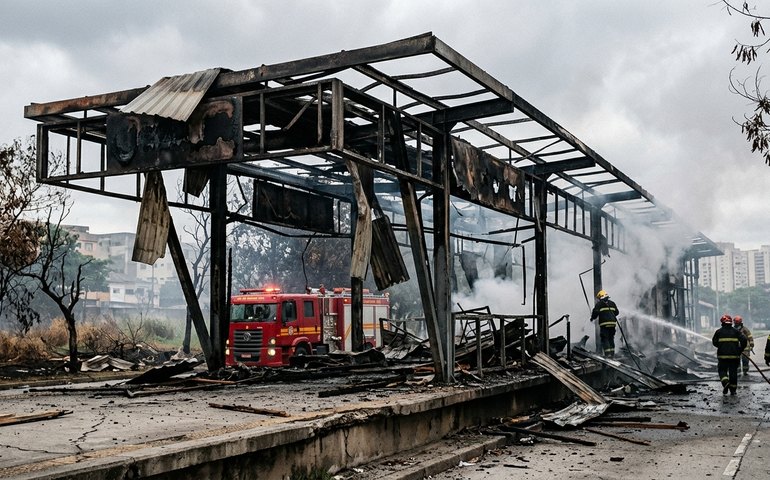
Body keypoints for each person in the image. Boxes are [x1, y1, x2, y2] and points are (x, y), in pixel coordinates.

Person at [712, 314, 748, 395]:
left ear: (722, 323)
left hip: (722, 357)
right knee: (733, 373)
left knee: (722, 370)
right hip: (734, 356)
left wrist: (721, 346)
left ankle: (725, 382)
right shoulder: (736, 331)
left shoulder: (718, 332)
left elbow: (714, 342)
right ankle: (733, 390)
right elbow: (744, 340)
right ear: (731, 322)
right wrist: (740, 350)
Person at [590, 290, 619, 358]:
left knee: (605, 339)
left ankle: (607, 354)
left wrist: (592, 318)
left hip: (604, 325)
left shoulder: (599, 304)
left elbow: (595, 313)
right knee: (611, 338)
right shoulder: (612, 303)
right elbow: (617, 313)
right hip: (612, 324)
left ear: (600, 297)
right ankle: (612, 354)